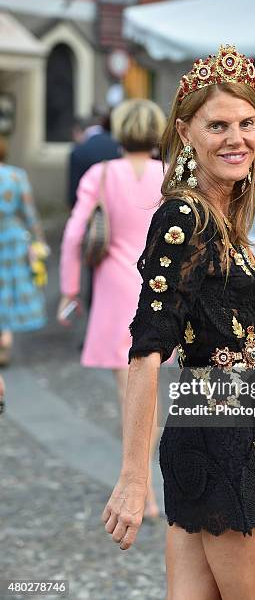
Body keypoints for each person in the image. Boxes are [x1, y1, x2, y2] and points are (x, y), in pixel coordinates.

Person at [102, 45, 255, 600]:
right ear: (186, 133)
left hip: (217, 429)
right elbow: (146, 349)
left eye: (247, 123)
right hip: (226, 444)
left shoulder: (219, 216)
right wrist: (133, 479)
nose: (237, 138)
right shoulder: (185, 216)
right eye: (218, 126)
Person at [58, 99, 166, 518]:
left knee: (128, 391)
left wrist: (70, 289)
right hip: (157, 286)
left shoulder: (99, 174)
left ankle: (138, 485)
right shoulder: (167, 176)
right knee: (152, 388)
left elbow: (72, 235)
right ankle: (145, 484)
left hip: (114, 287)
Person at [0, 136, 47, 366]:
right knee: (10, 285)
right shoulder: (16, 176)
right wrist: (39, 241)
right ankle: (6, 337)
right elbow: (29, 214)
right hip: (12, 237)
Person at [67, 114, 121, 209]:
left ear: (77, 131)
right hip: (118, 208)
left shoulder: (78, 151)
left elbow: (73, 195)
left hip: (89, 211)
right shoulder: (119, 146)